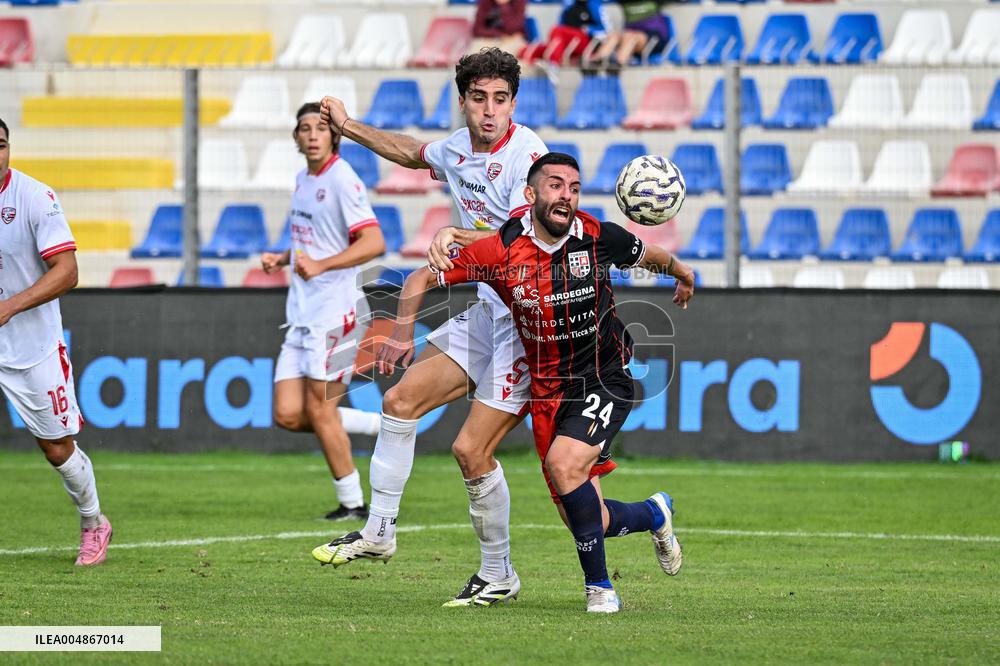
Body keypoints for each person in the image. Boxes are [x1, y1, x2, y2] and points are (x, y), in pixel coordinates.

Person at [376, 152, 692, 612]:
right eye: (556, 186)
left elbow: (650, 254)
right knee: (587, 516)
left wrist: (682, 275)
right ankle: (653, 513)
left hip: (604, 379)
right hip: (546, 391)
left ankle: (600, 589)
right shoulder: (501, 251)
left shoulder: (597, 235)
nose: (567, 196)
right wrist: (403, 330)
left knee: (566, 467)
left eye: (574, 188)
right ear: (530, 195)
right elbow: (425, 275)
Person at [310, 48, 548, 608]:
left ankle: (499, 574)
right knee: (400, 399)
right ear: (462, 101)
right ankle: (379, 531)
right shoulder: (459, 149)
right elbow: (411, 153)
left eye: (500, 99)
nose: (489, 111)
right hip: (493, 311)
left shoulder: (527, 155)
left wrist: (454, 236)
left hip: (532, 320)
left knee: (471, 450)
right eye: (478, 98)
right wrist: (347, 126)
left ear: (513, 103)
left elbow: (516, 239)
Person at [260, 102, 386, 521]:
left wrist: (321, 265)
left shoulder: (341, 178)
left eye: (320, 127)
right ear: (296, 138)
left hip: (335, 313)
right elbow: (314, 240)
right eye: (304, 128)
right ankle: (375, 425)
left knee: (320, 408)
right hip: (301, 313)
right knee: (287, 413)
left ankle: (352, 503)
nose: (312, 134)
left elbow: (373, 243)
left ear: (335, 136)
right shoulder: (303, 179)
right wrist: (285, 258)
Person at [0, 117, 112, 565]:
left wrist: (8, 307)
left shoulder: (34, 197)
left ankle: (93, 522)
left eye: (1, 144)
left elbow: (67, 272)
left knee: (56, 447)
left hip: (30, 345)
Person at [521, 0, 608, 65]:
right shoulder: (569, 4)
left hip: (585, 41)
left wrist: (589, 30)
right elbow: (561, 24)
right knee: (526, 50)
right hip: (566, 41)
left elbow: (605, 30)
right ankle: (535, 69)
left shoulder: (595, 5)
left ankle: (553, 64)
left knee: (557, 31)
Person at [590, 1, 673, 67]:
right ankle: (598, 61)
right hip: (629, 36)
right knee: (614, 36)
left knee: (631, 37)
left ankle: (619, 64)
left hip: (655, 38)